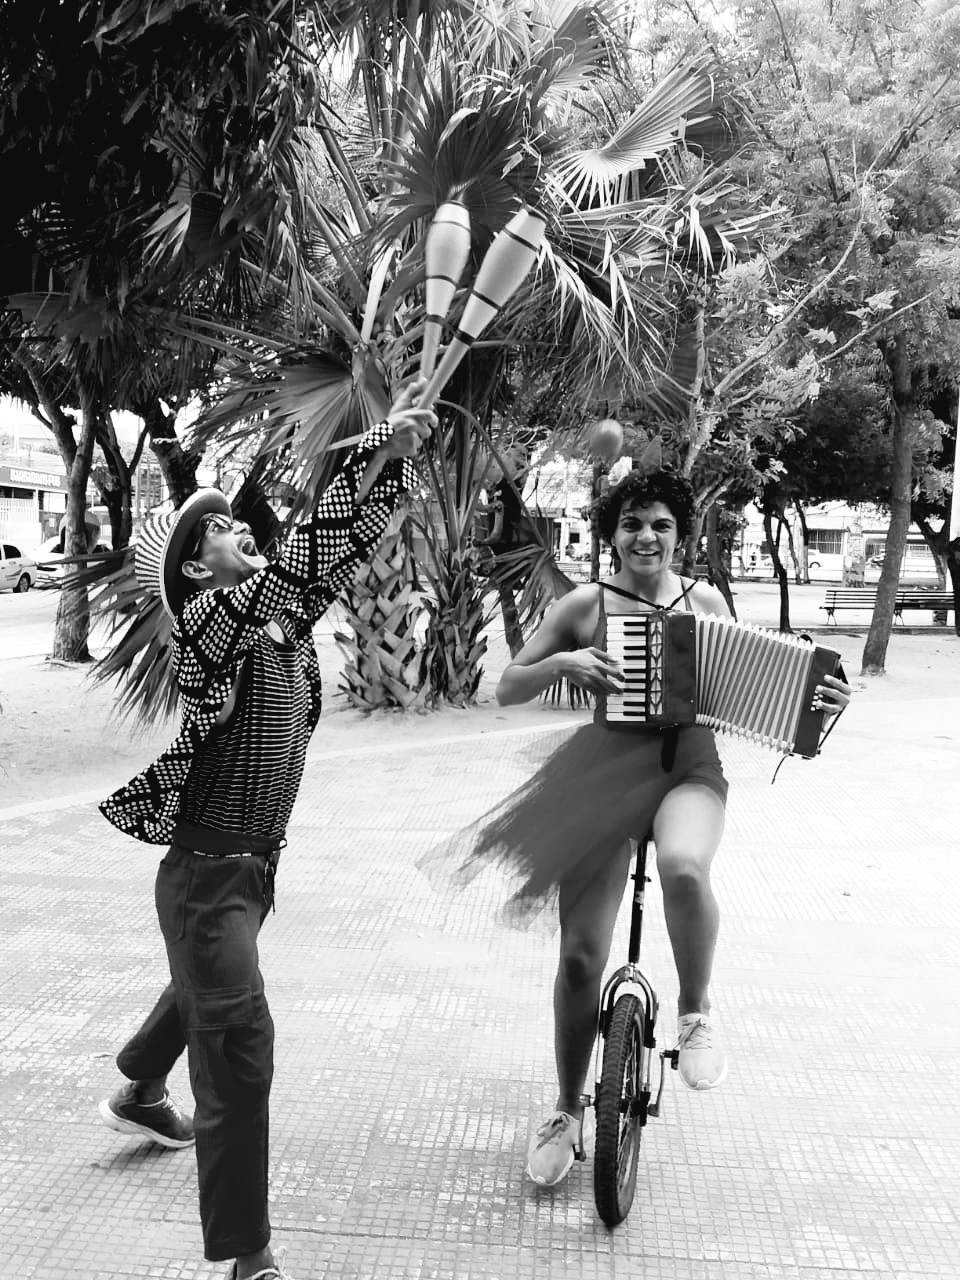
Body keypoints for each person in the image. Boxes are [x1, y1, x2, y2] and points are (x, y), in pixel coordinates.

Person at [420, 468, 850, 1190]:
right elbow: (508, 687)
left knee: (683, 865)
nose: (645, 537)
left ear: (681, 535)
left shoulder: (704, 601)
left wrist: (821, 699)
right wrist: (563, 661)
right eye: (632, 524)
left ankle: (696, 1012)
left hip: (689, 769)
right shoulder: (584, 604)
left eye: (661, 525)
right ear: (612, 533)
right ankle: (566, 1109)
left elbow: (752, 686)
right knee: (579, 959)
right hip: (602, 774)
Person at [96, 381, 435, 1280]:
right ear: (194, 571)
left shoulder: (279, 626)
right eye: (213, 529)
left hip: (249, 872)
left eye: (233, 518)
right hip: (208, 879)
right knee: (240, 1050)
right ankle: (250, 1258)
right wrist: (370, 445)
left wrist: (394, 464)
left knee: (207, 992)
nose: (235, 526)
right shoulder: (207, 624)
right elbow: (301, 561)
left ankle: (139, 1088)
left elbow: (332, 556)